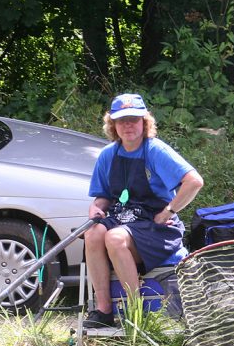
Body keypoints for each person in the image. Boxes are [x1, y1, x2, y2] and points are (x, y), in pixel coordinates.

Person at [82, 93, 203, 328]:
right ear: (113, 125)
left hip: (157, 227)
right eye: (122, 120)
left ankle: (135, 312)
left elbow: (194, 181)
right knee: (93, 233)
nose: (128, 125)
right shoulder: (108, 155)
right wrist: (95, 208)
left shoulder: (155, 150)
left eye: (134, 119)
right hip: (123, 218)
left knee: (114, 237)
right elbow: (103, 197)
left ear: (144, 123)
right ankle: (104, 311)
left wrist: (169, 210)